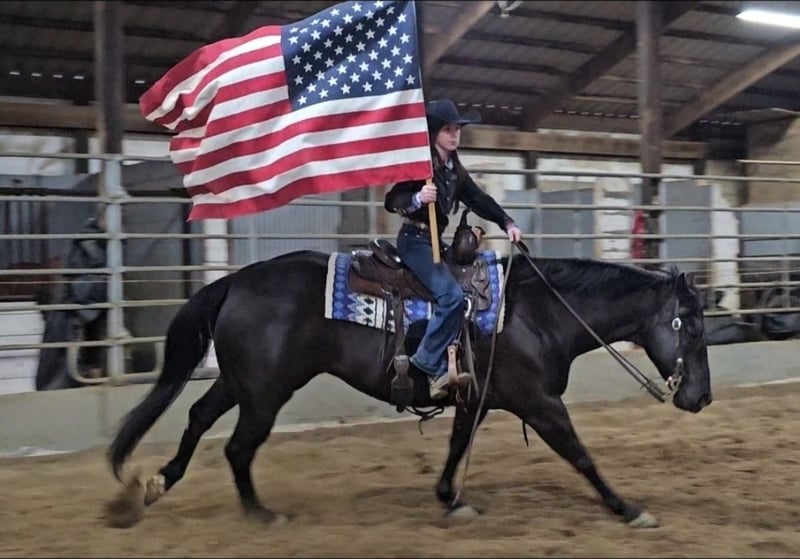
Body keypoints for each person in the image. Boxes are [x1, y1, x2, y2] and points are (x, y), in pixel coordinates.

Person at [384, 98, 523, 399]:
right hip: (414, 241)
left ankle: (454, 361)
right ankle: (426, 359)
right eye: (448, 129)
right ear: (434, 132)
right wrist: (418, 198)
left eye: (457, 129)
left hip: (435, 241)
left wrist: (506, 222)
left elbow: (479, 199)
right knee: (451, 297)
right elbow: (392, 200)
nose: (454, 135)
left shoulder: (453, 171)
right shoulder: (421, 166)